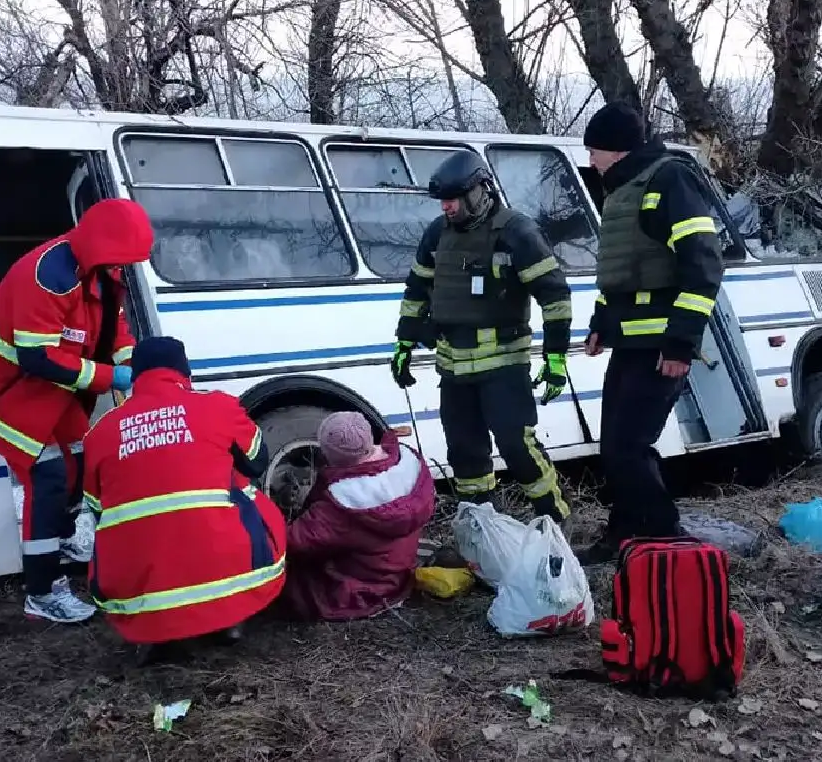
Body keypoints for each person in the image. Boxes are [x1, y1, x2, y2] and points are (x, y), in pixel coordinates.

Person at [0, 198, 153, 623]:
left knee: (82, 462)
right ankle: (42, 590)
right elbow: (38, 358)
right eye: (122, 258)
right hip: (0, 392)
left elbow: (113, 327)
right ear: (100, 245)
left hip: (47, 390)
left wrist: (128, 360)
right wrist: (113, 378)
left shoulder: (103, 267)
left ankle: (63, 535)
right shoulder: (49, 277)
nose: (125, 266)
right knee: (49, 475)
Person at [577, 102, 725, 565]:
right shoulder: (621, 192)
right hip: (630, 343)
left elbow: (703, 266)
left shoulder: (669, 180)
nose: (591, 161)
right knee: (614, 446)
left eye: (594, 151)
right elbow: (620, 274)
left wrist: (681, 342)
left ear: (616, 150)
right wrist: (602, 325)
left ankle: (665, 537)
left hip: (663, 345)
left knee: (630, 446)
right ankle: (623, 532)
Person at [392, 150, 573, 522]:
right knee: (464, 453)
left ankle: (555, 521)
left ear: (479, 191)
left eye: (453, 199)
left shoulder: (516, 232)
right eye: (443, 201)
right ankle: (482, 531)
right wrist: (404, 343)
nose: (447, 208)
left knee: (516, 446)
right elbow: (416, 291)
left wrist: (555, 358)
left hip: (504, 365)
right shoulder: (436, 234)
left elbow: (555, 296)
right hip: (453, 369)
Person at [81, 336, 287, 651]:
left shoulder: (100, 432)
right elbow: (258, 461)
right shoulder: (217, 405)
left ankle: (155, 633)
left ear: (135, 377)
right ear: (184, 371)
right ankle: (230, 618)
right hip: (234, 584)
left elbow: (98, 508)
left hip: (136, 598)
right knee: (241, 487)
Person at [282, 411, 435, 621]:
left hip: (362, 591)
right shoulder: (409, 461)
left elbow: (290, 543)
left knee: (289, 581)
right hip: (400, 571)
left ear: (331, 456)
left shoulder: (341, 505)